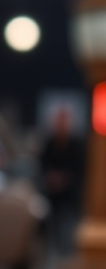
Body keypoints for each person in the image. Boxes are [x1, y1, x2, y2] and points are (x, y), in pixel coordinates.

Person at [39, 107, 85, 256]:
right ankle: (56, 253)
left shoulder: (76, 144)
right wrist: (51, 177)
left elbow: (81, 168)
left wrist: (65, 178)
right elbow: (42, 165)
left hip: (70, 195)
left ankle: (69, 253)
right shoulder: (50, 142)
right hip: (53, 194)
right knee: (53, 226)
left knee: (69, 226)